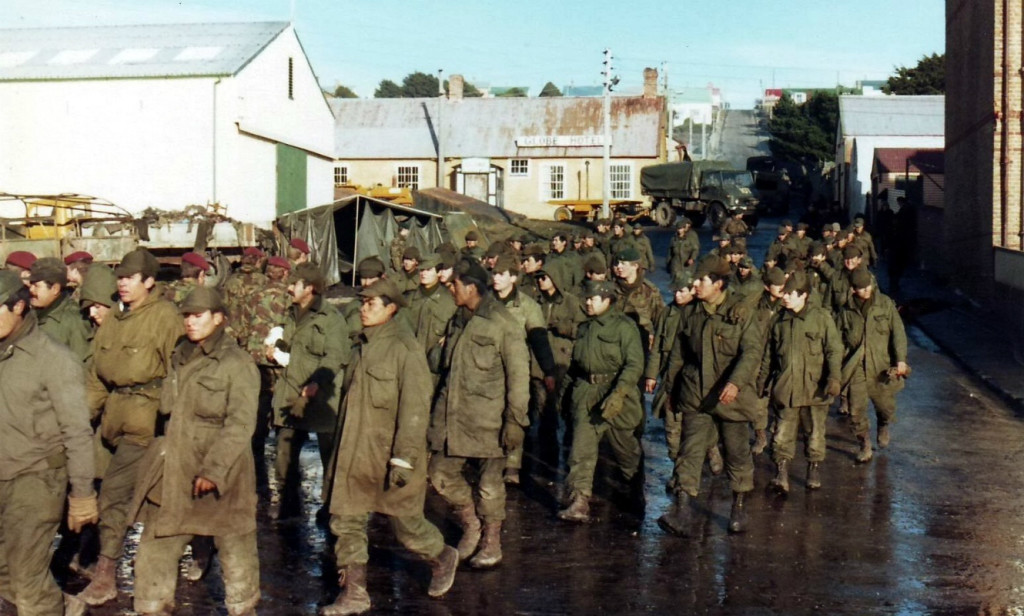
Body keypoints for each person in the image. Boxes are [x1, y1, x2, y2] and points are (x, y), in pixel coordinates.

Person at [322, 279, 458, 615]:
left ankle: (442, 557)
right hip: (355, 453)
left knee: (406, 526)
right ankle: (354, 593)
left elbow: (415, 408)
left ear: (392, 307)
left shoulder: (404, 349)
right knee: (346, 520)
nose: (364, 308)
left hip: (389, 456)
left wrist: (404, 459)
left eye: (372, 303)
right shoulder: (361, 346)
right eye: (363, 302)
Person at [130, 287, 260, 616]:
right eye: (186, 315)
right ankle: (152, 608)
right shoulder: (181, 354)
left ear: (219, 319)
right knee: (155, 547)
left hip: (221, 477)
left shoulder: (236, 363)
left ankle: (244, 610)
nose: (189, 322)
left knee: (235, 551)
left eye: (197, 315)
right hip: (175, 470)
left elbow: (241, 424)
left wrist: (213, 470)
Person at [78, 249, 184, 607]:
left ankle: (106, 575)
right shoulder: (115, 319)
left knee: (114, 497)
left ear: (149, 282)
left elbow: (179, 372)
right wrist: (79, 422)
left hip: (145, 420)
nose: (122, 283)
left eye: (130, 277)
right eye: (120, 277)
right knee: (110, 493)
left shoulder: (165, 317)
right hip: (113, 417)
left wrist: (174, 427)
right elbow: (97, 377)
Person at [0, 270, 96, 616]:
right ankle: (61, 606)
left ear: (19, 307)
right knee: (6, 574)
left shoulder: (54, 359)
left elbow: (77, 431)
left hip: (37, 480)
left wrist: (83, 494)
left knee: (27, 579)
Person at [427, 259, 529, 568]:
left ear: (471, 287)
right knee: (440, 474)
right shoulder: (457, 319)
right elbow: (442, 366)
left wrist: (515, 421)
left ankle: (491, 541)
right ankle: (471, 525)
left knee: (489, 483)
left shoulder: (503, 324)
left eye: (454, 284)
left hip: (490, 419)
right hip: (454, 416)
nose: (450, 288)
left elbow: (519, 376)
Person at [657, 256, 762, 536]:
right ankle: (681, 511)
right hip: (695, 394)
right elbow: (679, 354)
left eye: (700, 280)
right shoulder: (691, 312)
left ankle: (738, 506)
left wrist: (736, 383)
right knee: (689, 450)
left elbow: (752, 352)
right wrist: (670, 390)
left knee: (736, 452)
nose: (695, 285)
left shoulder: (740, 312)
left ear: (717, 283)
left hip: (729, 397)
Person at [268, 263, 352, 521]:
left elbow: (337, 355)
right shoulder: (292, 314)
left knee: (329, 456)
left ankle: (331, 507)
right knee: (285, 451)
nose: (290, 288)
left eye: (296, 284)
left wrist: (317, 382)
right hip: (292, 393)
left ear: (311, 288)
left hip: (320, 395)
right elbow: (292, 346)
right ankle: (289, 504)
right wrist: (276, 348)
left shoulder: (331, 320)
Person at [557, 279, 645, 522]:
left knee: (626, 452)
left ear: (607, 300)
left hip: (617, 395)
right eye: (586, 298)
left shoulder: (624, 328)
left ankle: (635, 491)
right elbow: (575, 366)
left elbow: (634, 364)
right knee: (580, 450)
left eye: (592, 298)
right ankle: (579, 501)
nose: (587, 302)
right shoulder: (584, 328)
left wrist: (618, 394)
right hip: (586, 392)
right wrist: (564, 396)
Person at [761, 272, 842, 493]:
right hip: (786, 388)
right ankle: (781, 474)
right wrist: (762, 382)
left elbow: (834, 350)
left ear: (804, 295)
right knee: (781, 434)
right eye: (784, 293)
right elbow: (769, 355)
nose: (785, 297)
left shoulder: (821, 318)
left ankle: (813, 468)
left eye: (790, 294)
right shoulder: (778, 321)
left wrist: (834, 377)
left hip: (815, 388)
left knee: (814, 433)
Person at [490, 254, 557, 485]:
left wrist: (548, 371)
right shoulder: (485, 301)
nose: (496, 278)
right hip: (487, 368)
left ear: (514, 278)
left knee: (515, 413)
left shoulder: (528, 306)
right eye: (494, 273)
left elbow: (539, 340)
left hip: (516, 369)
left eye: (501, 274)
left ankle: (512, 465)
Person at [837, 268, 909, 460]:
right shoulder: (846, 310)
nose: (866, 290)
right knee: (856, 410)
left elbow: (898, 333)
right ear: (853, 289)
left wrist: (900, 359)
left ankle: (883, 424)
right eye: (861, 288)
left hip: (881, 366)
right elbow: (838, 339)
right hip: (856, 366)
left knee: (885, 407)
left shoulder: (884, 304)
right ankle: (864, 444)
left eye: (868, 285)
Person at [28, 257, 91, 361]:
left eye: (36, 286)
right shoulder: (32, 314)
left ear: (55, 289)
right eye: (31, 285)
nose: (31, 290)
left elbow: (82, 364)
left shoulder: (74, 320)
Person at [406, 254, 457, 380]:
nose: (423, 273)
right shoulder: (409, 299)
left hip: (433, 371)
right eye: (422, 270)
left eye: (428, 270)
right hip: (408, 366)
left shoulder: (450, 302)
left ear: (439, 272)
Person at [222, 247, 268, 327]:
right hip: (256, 327)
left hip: (235, 327)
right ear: (257, 261)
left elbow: (224, 306)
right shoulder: (264, 281)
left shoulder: (231, 280)